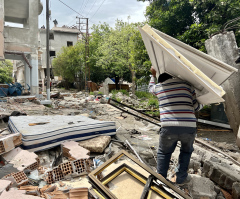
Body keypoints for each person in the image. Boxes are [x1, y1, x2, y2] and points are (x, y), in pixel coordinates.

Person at [149, 66, 202, 185]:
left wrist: (153, 75)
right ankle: (181, 178)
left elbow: (150, 88)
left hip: (169, 126)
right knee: (186, 151)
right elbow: (196, 107)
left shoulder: (158, 87)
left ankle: (161, 179)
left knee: (164, 152)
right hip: (189, 126)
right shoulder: (187, 86)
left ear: (161, 80)